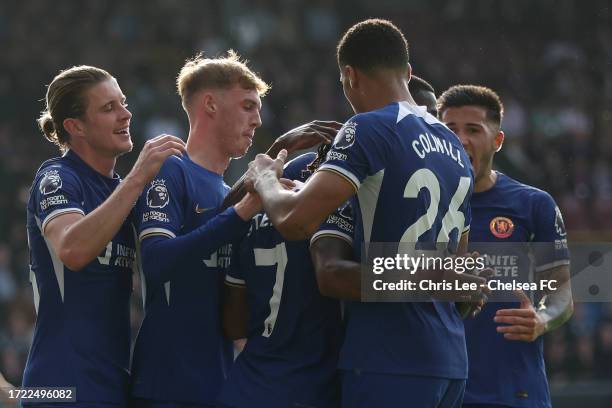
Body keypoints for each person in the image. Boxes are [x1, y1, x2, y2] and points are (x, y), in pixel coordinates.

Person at [245, 19, 476, 407]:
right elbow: (458, 274)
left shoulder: (366, 129)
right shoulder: (454, 146)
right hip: (450, 359)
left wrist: (265, 178)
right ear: (408, 72)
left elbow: (294, 220)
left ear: (349, 76)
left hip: (388, 358)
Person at [130, 51, 339, 408]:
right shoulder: (171, 171)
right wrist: (244, 210)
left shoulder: (226, 192)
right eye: (247, 106)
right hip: (168, 384)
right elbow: (156, 262)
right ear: (210, 104)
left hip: (222, 382)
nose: (257, 120)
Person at [25, 65, 186, 407]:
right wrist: (138, 177)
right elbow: (72, 248)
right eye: (108, 108)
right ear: (75, 126)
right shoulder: (55, 177)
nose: (126, 114)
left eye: (123, 103)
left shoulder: (121, 192)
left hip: (114, 383)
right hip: (59, 387)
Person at [438, 85, 573, 408]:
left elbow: (562, 294)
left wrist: (542, 318)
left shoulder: (532, 204)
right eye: (450, 129)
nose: (460, 139)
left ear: (497, 141)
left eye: (473, 130)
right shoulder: (422, 206)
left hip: (512, 393)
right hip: (438, 390)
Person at [217, 152, 351, 408]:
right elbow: (335, 274)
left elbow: (234, 325)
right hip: (310, 388)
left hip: (246, 385)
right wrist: (435, 275)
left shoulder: (248, 225)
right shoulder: (335, 220)